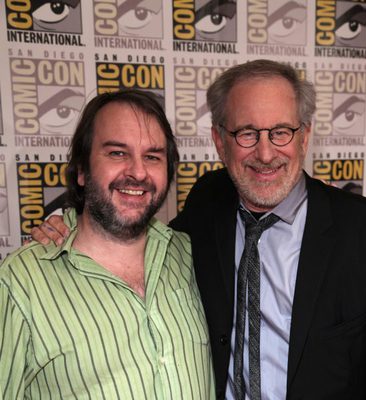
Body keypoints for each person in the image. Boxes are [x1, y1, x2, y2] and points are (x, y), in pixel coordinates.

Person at [30, 60, 366, 399]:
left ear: (304, 136)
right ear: (219, 141)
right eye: (246, 133)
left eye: (281, 132)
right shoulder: (209, 202)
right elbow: (133, 233)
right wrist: (71, 220)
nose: (266, 153)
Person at [0, 89, 215, 399]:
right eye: (117, 153)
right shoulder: (21, 281)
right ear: (83, 170)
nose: (138, 172)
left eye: (152, 156)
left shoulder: (191, 255)